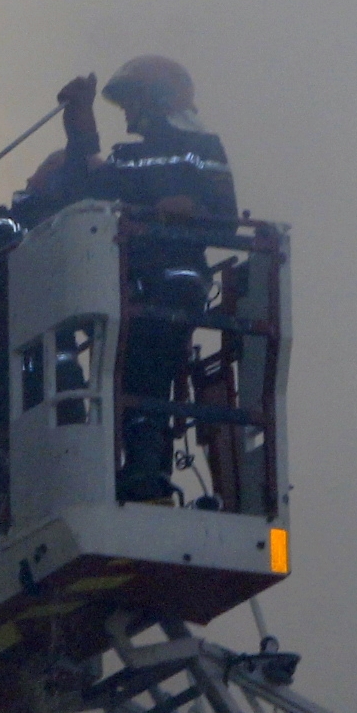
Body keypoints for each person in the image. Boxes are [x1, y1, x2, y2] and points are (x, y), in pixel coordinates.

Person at [91, 55, 234, 501]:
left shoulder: (204, 148)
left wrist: (192, 212)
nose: (128, 114)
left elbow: (226, 222)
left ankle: (146, 473)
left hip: (178, 280)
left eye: (133, 102)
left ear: (156, 100)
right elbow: (95, 200)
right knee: (123, 375)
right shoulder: (124, 156)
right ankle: (134, 471)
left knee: (148, 371)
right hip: (127, 284)